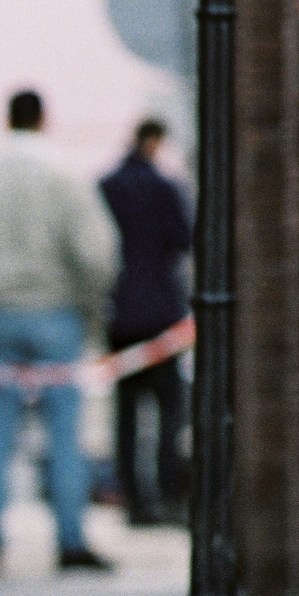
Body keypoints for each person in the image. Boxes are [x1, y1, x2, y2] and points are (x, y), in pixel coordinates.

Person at [0, 89, 120, 573]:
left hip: (0, 315)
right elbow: (98, 253)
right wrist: (86, 301)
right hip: (58, 314)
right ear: (45, 119)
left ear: (7, 120)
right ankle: (70, 541)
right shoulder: (66, 181)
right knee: (65, 434)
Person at [99, 118, 194, 526]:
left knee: (126, 411)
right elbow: (183, 238)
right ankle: (167, 490)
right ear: (155, 141)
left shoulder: (107, 186)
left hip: (120, 312)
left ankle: (133, 495)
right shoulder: (164, 187)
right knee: (169, 408)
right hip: (161, 314)